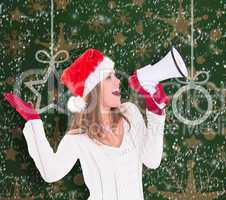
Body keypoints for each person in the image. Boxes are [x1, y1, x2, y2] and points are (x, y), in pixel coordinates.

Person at [3, 48, 170, 200]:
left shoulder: (130, 113)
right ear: (93, 89)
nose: (118, 81)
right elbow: (51, 172)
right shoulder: (79, 137)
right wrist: (34, 122)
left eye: (115, 75)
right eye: (109, 77)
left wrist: (157, 113)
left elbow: (152, 160)